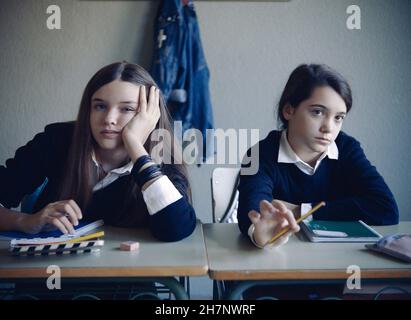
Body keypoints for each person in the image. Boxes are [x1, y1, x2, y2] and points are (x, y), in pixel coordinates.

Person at [0, 62, 196, 242]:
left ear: (150, 116)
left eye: (127, 109)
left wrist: (135, 146)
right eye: (100, 106)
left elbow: (176, 230)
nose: (109, 118)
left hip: (129, 277)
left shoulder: (162, 151)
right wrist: (24, 221)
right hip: (52, 274)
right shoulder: (57, 140)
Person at [238, 63, 399, 249]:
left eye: (338, 118)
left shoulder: (347, 149)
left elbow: (385, 208)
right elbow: (252, 214)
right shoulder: (260, 154)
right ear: (289, 110)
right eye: (318, 112)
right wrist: (261, 235)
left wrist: (301, 211)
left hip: (339, 263)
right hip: (281, 265)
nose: (328, 128)